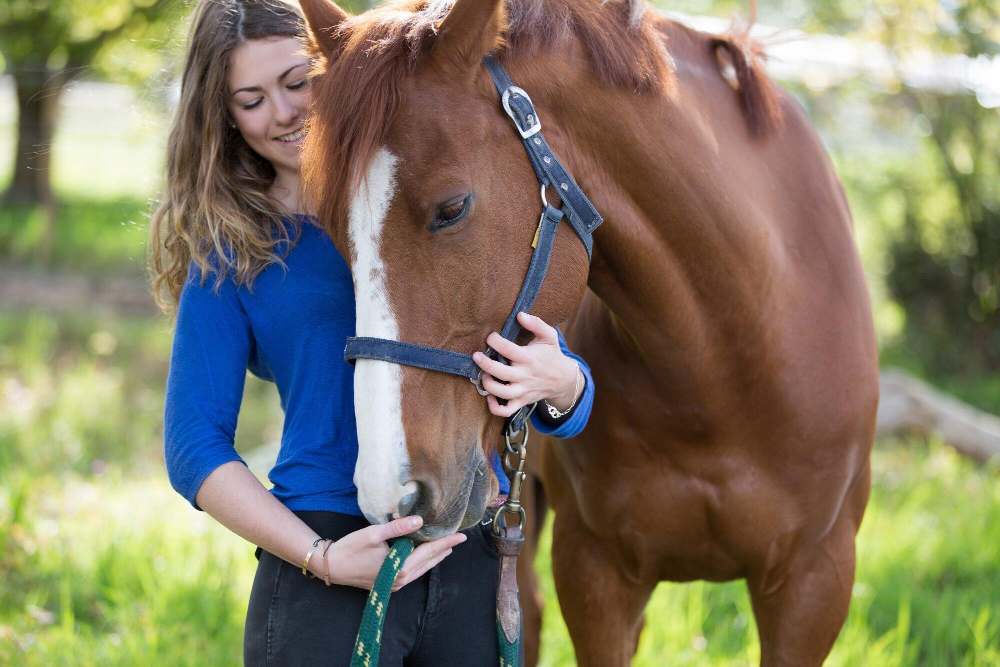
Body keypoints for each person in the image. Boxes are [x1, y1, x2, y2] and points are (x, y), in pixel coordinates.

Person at [148, 1, 595, 664]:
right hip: (325, 558)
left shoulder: (428, 209)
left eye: (296, 82)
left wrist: (564, 385)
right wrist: (321, 557)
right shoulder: (234, 251)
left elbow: (556, 388)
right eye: (251, 99)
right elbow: (193, 446)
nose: (284, 112)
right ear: (225, 115)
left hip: (468, 543)